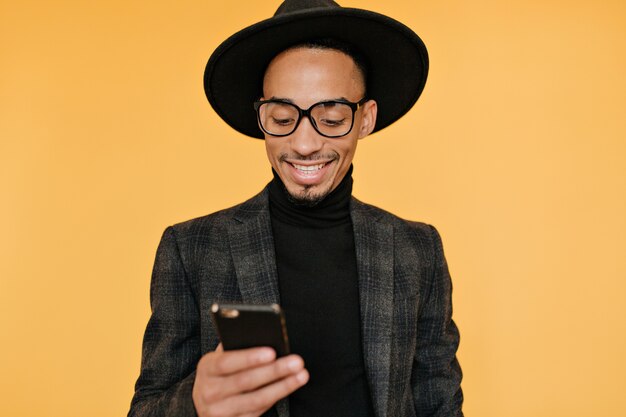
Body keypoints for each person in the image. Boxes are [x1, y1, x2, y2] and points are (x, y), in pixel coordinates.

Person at [128, 0, 463, 416]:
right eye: (283, 117)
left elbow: (439, 406)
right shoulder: (190, 248)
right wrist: (194, 402)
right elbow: (145, 409)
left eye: (332, 117)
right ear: (260, 116)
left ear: (365, 118)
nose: (304, 144)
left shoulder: (418, 249)